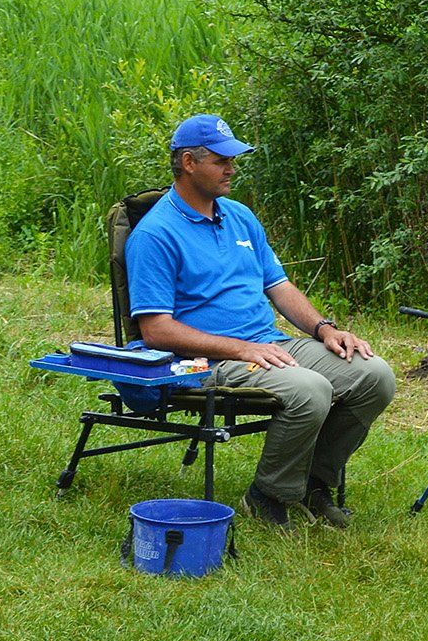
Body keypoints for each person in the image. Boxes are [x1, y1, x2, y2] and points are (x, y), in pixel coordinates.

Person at [126, 114, 395, 529]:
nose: (232, 168)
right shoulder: (155, 235)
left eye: (233, 159)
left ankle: (313, 484)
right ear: (188, 162)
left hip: (268, 343)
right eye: (221, 160)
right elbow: (156, 330)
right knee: (309, 389)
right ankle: (268, 496)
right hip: (210, 361)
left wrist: (325, 329)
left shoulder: (239, 216)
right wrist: (240, 348)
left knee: (374, 375)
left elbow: (280, 286)